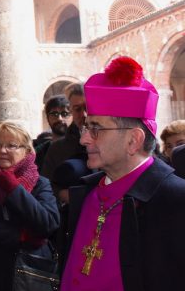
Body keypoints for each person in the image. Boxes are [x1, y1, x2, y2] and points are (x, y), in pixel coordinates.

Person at [60, 56, 185, 290]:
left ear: (133, 140)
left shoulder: (176, 200)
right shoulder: (85, 193)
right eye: (86, 127)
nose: (84, 138)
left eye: (96, 128)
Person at [0, 121, 60, 291]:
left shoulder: (40, 184)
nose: (2, 151)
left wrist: (13, 189)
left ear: (27, 151)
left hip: (31, 273)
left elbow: (48, 224)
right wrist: (21, 235)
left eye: (11, 145)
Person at [41, 83, 88, 196]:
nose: (84, 114)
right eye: (77, 109)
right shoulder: (57, 149)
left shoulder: (110, 142)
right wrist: (62, 194)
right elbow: (45, 186)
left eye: (88, 107)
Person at [35, 95, 72, 172]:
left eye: (65, 114)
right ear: (47, 118)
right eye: (54, 114)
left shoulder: (81, 148)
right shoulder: (39, 151)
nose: (59, 118)